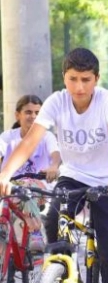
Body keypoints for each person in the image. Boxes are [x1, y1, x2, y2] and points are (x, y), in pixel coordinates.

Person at [0, 48, 108, 283]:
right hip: (72, 178)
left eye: (86, 79)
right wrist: (5, 174)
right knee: (54, 227)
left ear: (97, 78)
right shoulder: (56, 102)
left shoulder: (107, 100)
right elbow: (31, 140)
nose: (79, 87)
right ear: (64, 78)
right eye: (73, 79)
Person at [0, 94, 62, 251]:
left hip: (38, 188)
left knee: (25, 188)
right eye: (28, 112)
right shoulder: (7, 137)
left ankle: (35, 232)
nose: (33, 116)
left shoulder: (46, 137)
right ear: (17, 115)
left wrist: (54, 167)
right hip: (11, 188)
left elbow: (56, 155)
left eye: (37, 113)